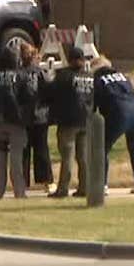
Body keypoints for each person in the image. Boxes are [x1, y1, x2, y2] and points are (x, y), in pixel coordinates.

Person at [0, 43, 44, 199]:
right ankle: (19, 193)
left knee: (0, 158)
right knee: (16, 159)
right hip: (15, 121)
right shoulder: (21, 75)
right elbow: (30, 95)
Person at [90, 56, 134, 194]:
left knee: (102, 148)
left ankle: (103, 185)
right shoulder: (123, 77)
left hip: (120, 112)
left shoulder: (98, 80)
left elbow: (93, 105)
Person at [47, 45, 94, 198]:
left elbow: (52, 94)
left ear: (69, 59)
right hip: (86, 121)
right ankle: (85, 188)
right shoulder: (90, 77)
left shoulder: (64, 76)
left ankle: (63, 189)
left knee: (67, 157)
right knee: (83, 157)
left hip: (68, 122)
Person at [21, 47, 55, 195]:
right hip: (40, 117)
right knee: (42, 150)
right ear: (35, 57)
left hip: (24, 117)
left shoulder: (20, 74)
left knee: (24, 151)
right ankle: (47, 181)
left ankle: (22, 182)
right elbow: (49, 91)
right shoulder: (41, 73)